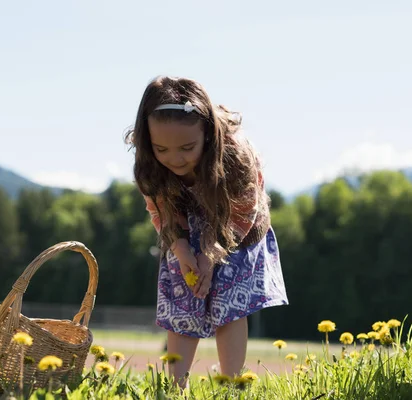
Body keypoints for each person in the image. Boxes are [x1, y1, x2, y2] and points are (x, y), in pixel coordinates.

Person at [124, 76, 289, 386]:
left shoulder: (235, 154)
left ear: (208, 134)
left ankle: (230, 385)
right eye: (162, 149)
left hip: (236, 227)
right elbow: (160, 209)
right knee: (183, 291)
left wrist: (211, 255)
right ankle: (175, 387)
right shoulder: (150, 163)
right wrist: (182, 249)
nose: (175, 159)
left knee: (228, 298)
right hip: (185, 225)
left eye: (188, 148)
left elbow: (243, 211)